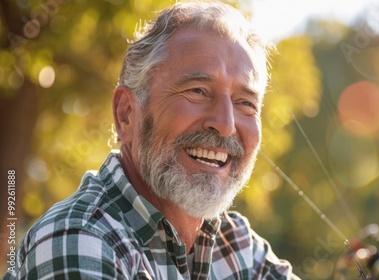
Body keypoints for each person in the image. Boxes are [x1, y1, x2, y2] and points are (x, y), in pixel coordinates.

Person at [3, 1, 298, 279]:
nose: (224, 124)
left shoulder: (235, 244)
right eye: (197, 91)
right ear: (126, 114)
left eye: (245, 103)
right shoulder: (80, 239)